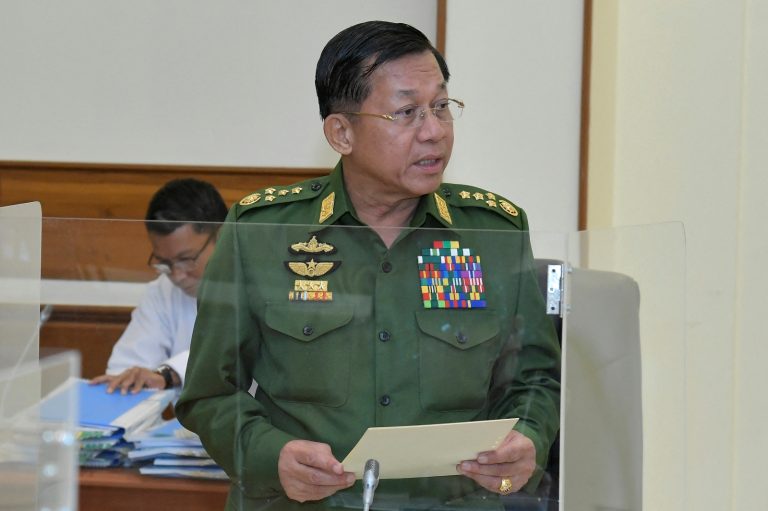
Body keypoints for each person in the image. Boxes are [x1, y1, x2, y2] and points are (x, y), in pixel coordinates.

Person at [176, 21, 560, 510]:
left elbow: (537, 379)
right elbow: (208, 393)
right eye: (406, 112)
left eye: (441, 106)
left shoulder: (493, 233)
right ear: (341, 132)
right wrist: (270, 455)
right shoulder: (263, 232)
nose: (435, 131)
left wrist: (527, 436)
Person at [91, 178, 227, 394]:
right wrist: (130, 380)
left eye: (186, 259)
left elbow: (231, 351)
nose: (177, 275)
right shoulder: (162, 291)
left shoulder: (265, 283)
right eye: (164, 263)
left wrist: (167, 374)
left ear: (222, 236)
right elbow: (125, 370)